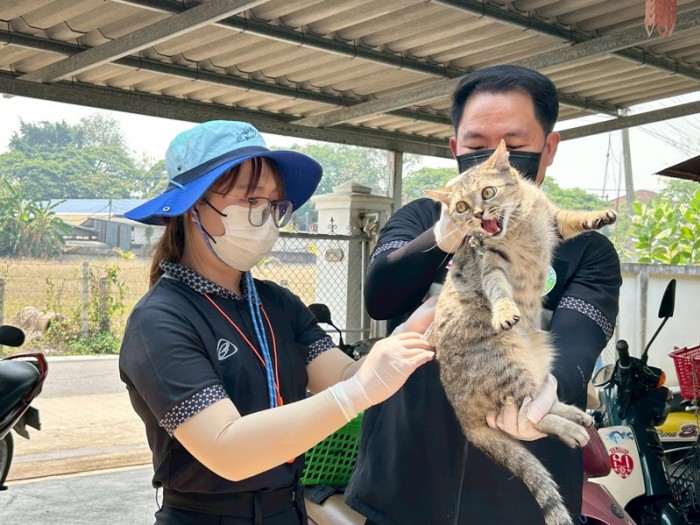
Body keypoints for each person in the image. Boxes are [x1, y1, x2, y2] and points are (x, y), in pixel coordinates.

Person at [118, 120, 435, 525]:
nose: (266, 217)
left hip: (287, 509)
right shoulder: (159, 321)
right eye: (251, 199)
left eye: (274, 204)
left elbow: (343, 375)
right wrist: (357, 392)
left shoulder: (277, 303)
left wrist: (410, 335)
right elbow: (227, 449)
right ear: (193, 206)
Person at [344, 65, 622, 524]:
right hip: (404, 488)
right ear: (455, 149)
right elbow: (380, 298)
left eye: (514, 144)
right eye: (476, 146)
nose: (495, 155)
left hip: (521, 501)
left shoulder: (586, 249)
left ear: (548, 148)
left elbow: (578, 344)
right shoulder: (421, 219)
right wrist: (444, 236)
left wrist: (547, 391)